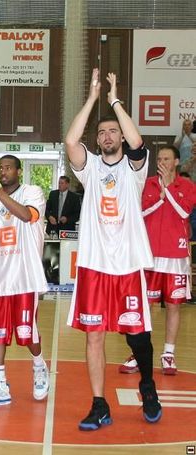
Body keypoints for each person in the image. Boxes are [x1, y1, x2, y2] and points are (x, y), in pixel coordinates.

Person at [64, 69, 162, 430]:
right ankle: (99, 404)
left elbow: (138, 143)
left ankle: (148, 386)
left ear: (120, 136)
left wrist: (115, 100)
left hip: (127, 266)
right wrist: (92, 98)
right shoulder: (89, 169)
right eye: (102, 133)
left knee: (136, 336)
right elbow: (71, 141)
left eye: (112, 132)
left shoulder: (134, 169)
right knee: (94, 336)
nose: (107, 136)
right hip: (94, 265)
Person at [0, 156, 50, 406]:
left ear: (19, 170)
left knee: (26, 334)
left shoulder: (33, 192)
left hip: (25, 277)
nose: (3, 172)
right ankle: (0, 385)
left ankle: (39, 366)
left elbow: (26, 216)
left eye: (7, 168)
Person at [119, 145, 196, 375]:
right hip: (148, 256)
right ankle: (140, 352)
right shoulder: (147, 183)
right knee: (146, 307)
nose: (162, 162)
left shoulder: (188, 186)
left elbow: (183, 213)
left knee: (173, 306)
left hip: (176, 257)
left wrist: (167, 191)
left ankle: (169, 354)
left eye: (166, 158)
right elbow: (138, 212)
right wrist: (160, 197)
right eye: (159, 158)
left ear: (176, 162)